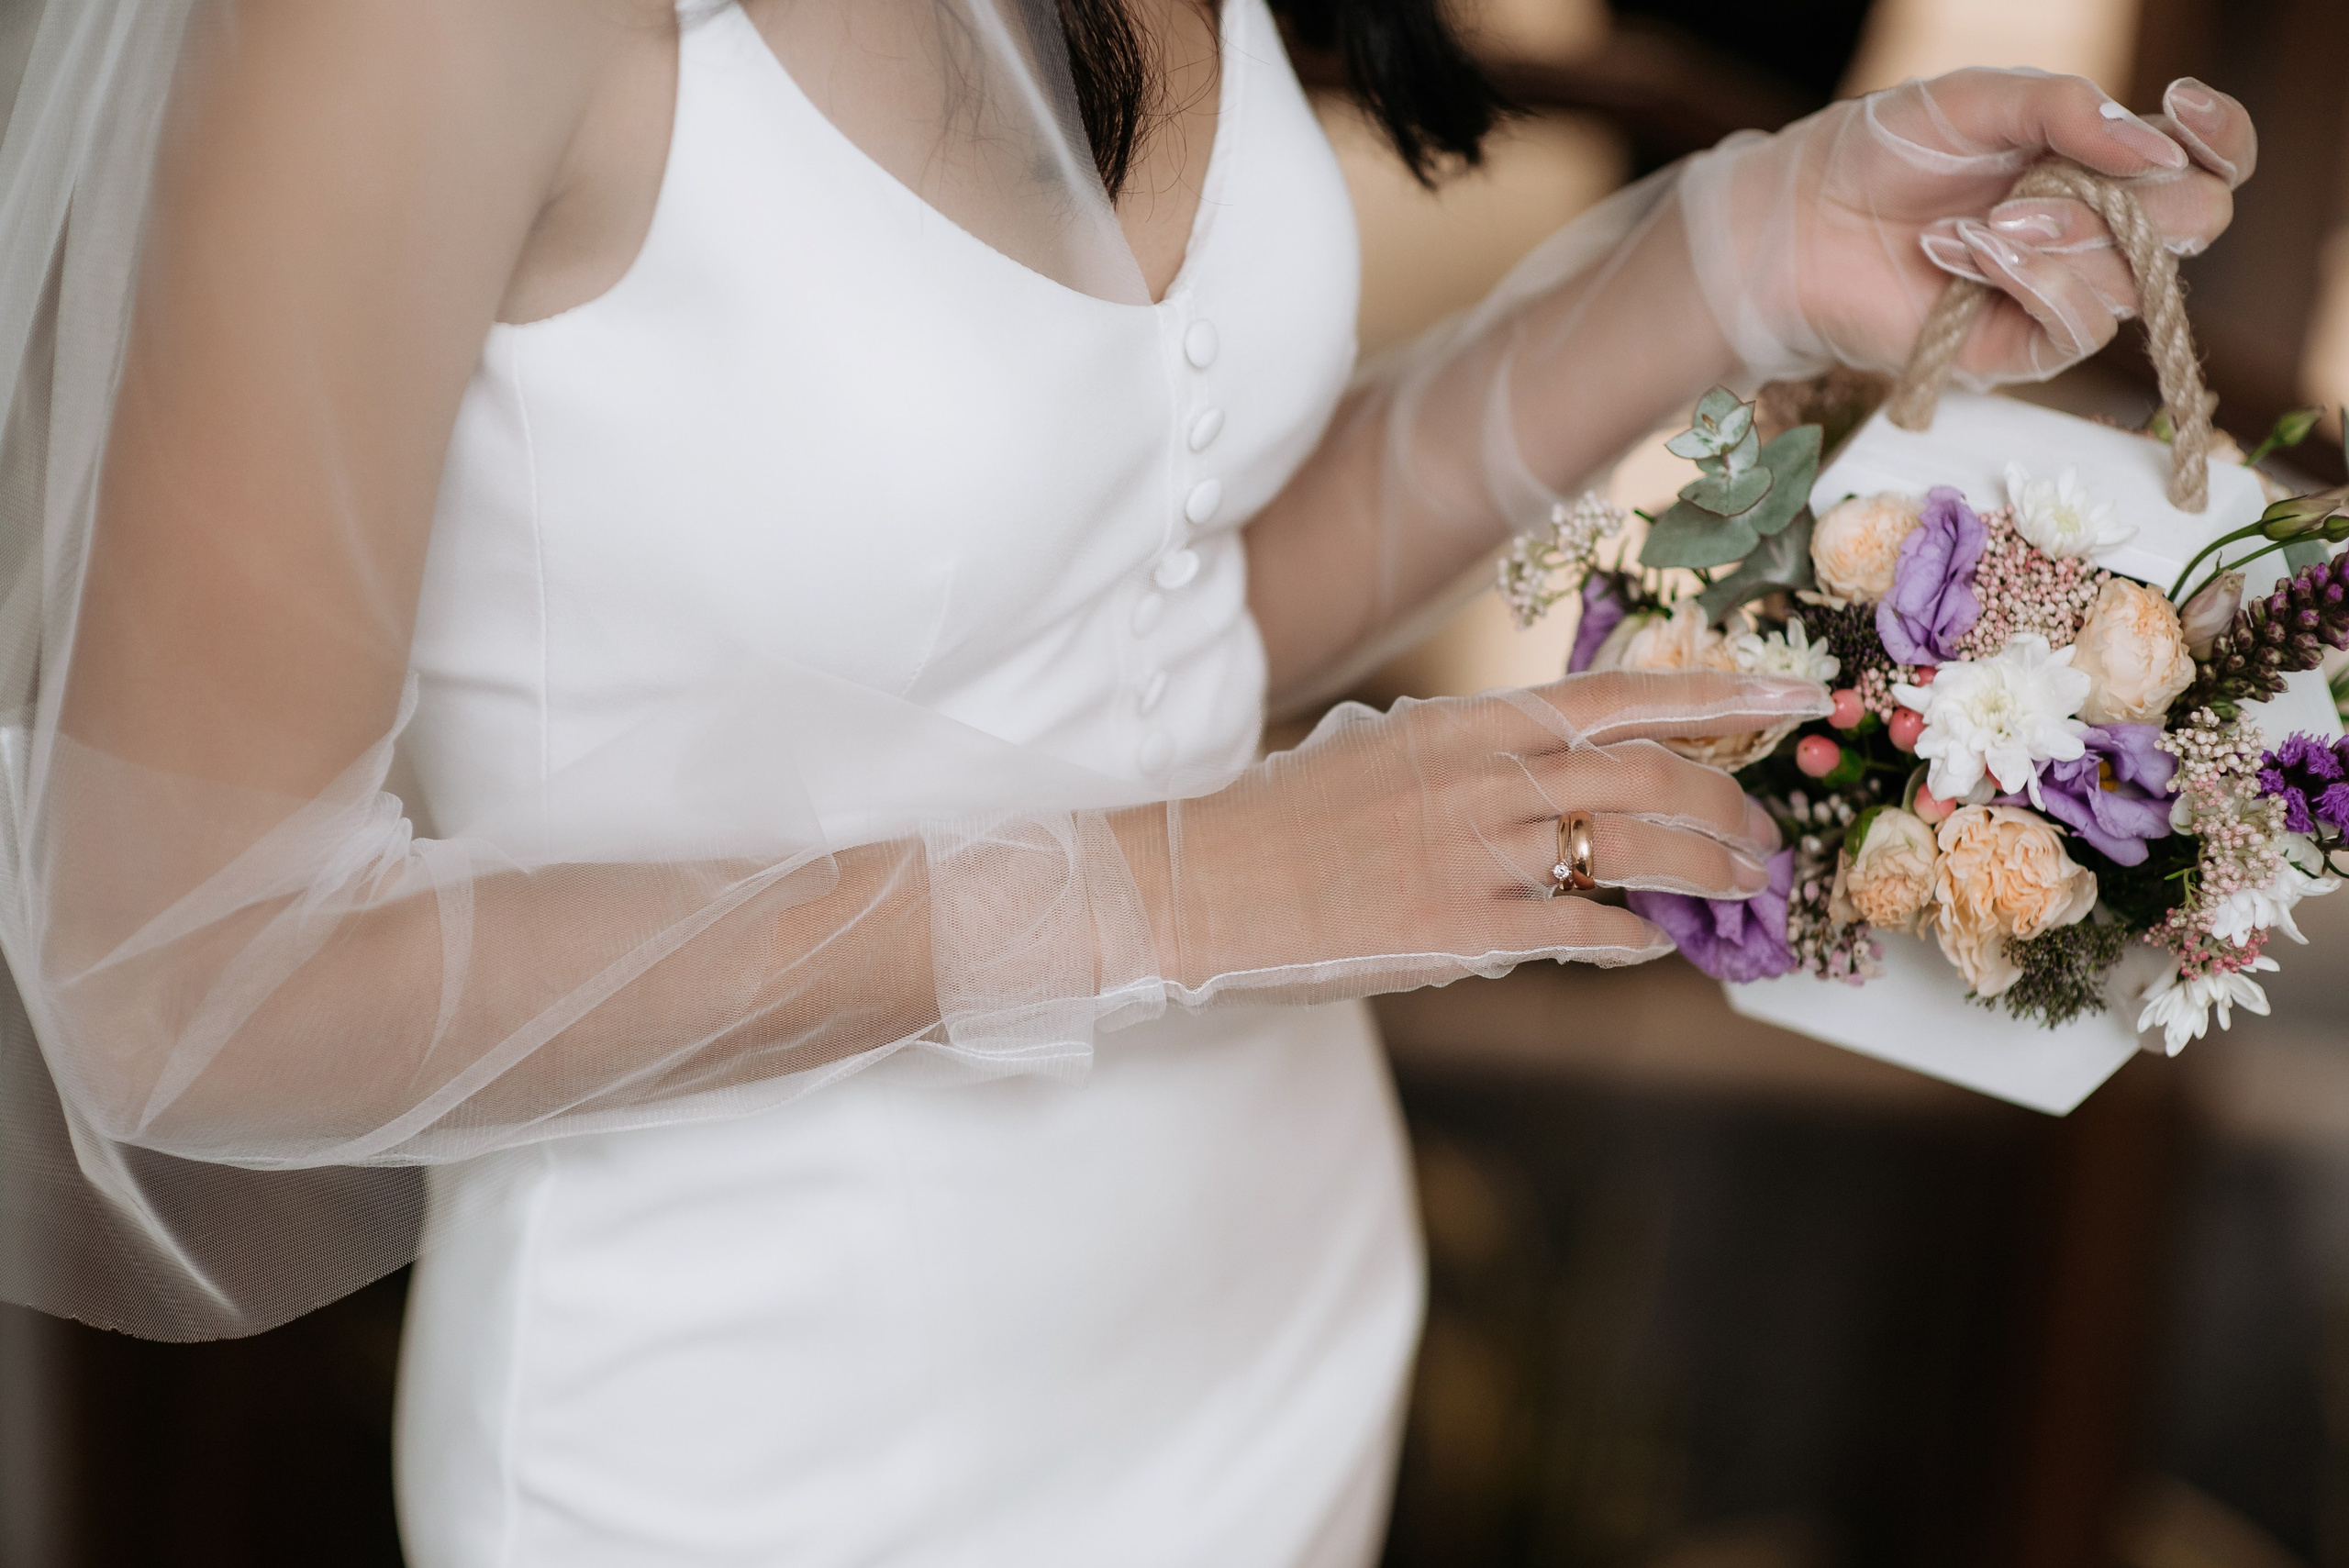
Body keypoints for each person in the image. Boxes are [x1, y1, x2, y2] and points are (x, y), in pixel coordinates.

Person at [0, 0, 2254, 1562]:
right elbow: (180, 980)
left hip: (1264, 1326)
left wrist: (1734, 252)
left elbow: (1147, 615)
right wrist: (1189, 893)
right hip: (755, 1457)